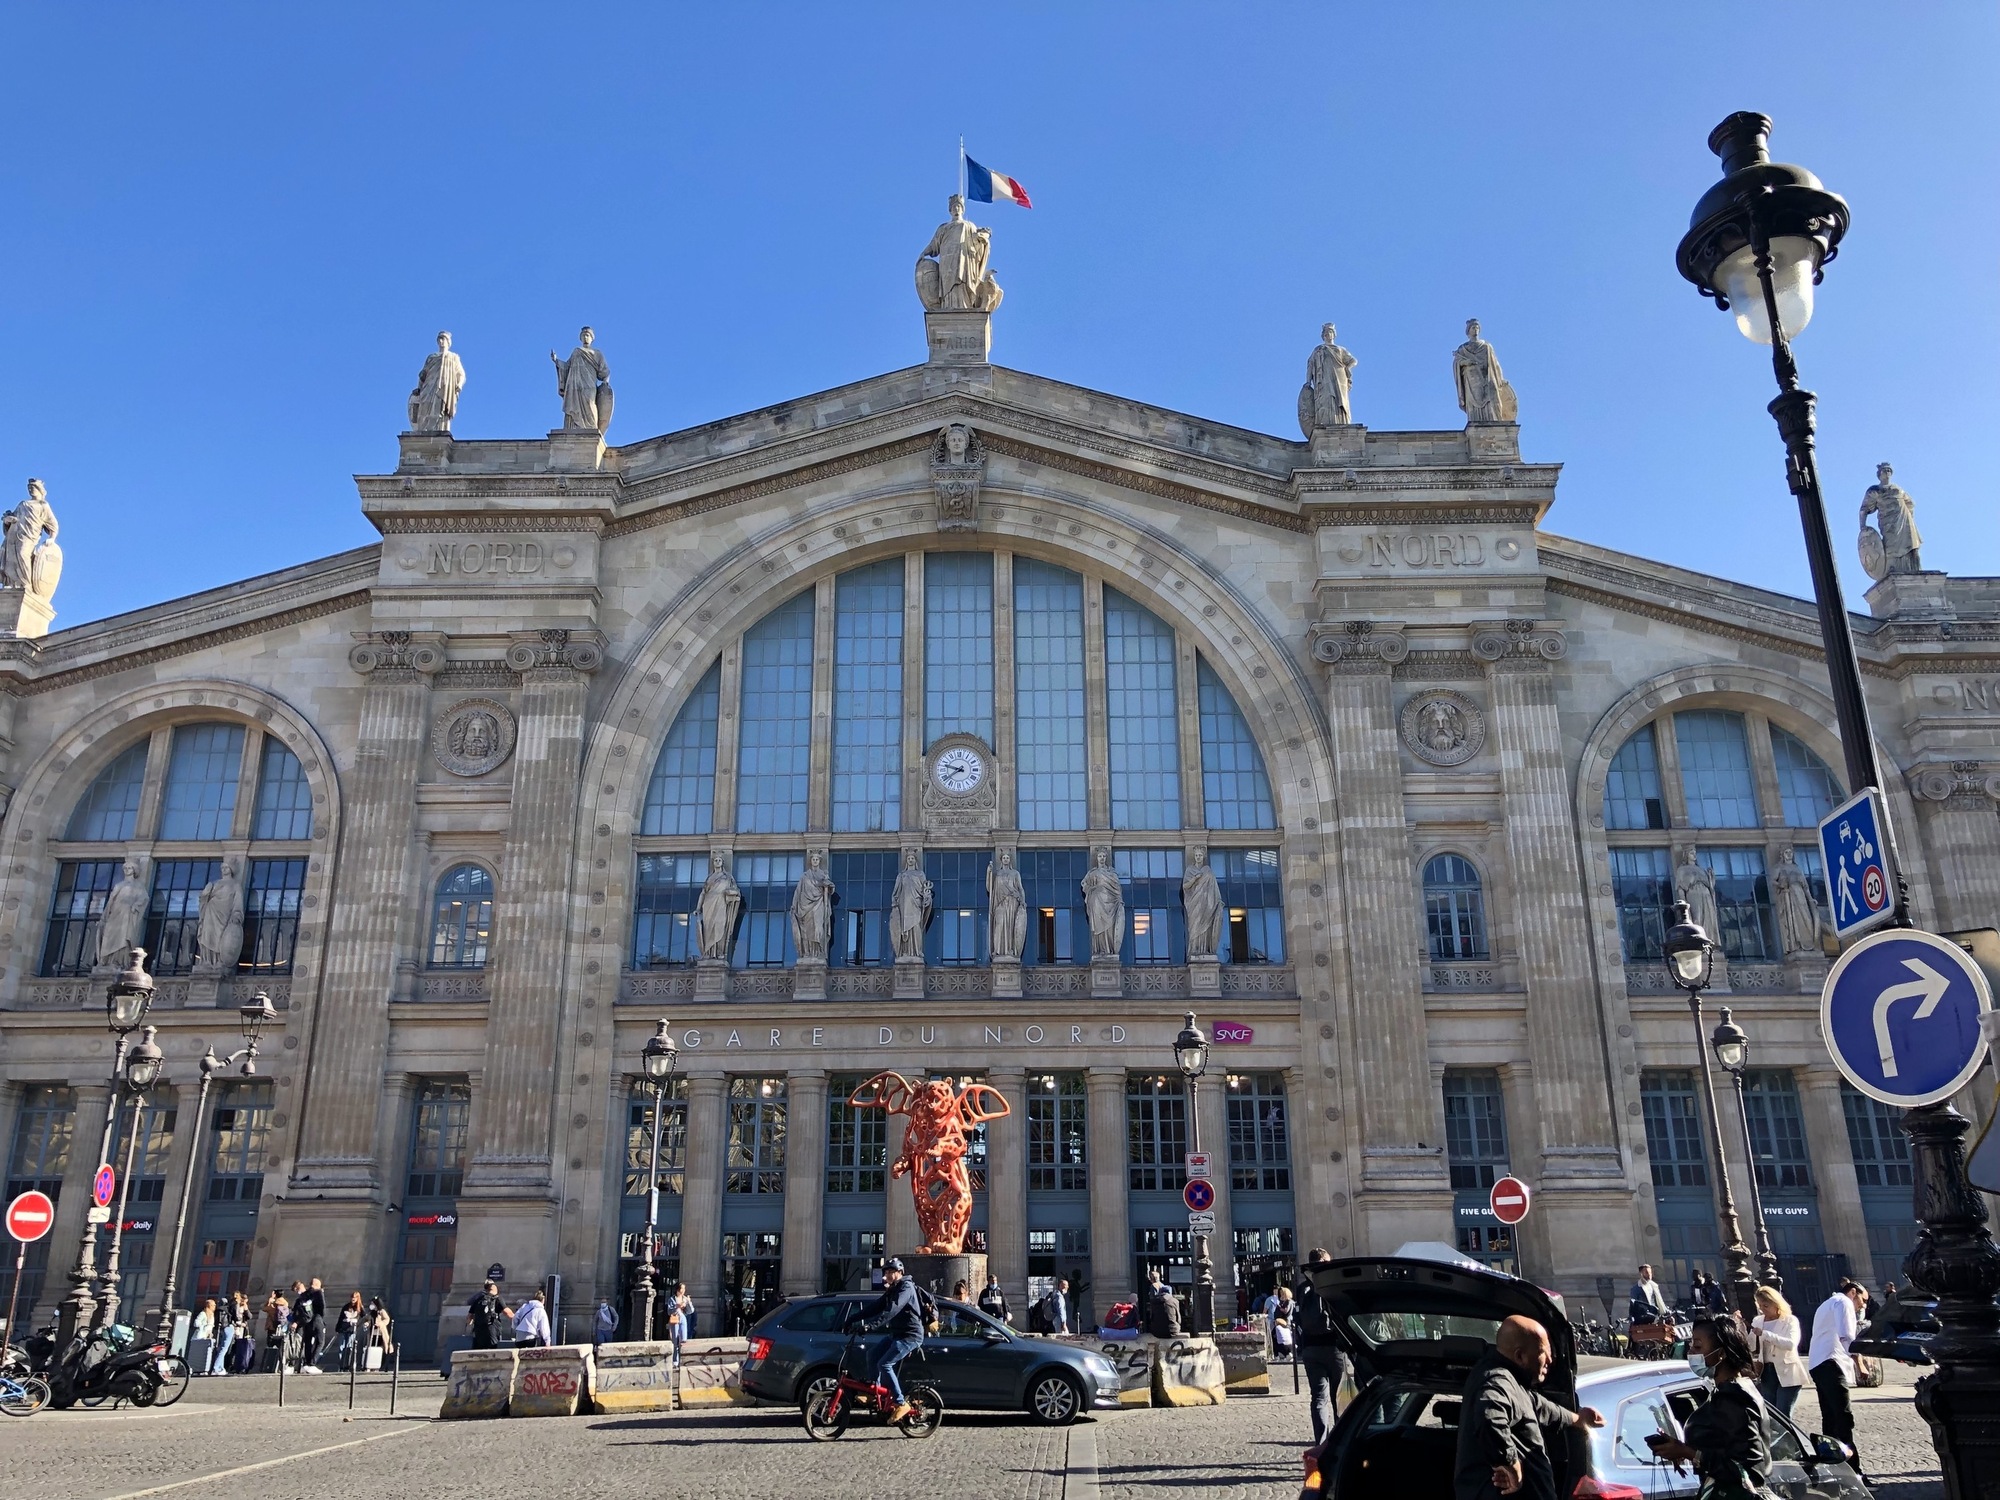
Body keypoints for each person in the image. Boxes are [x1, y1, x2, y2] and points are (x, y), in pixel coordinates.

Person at [1455, 1315, 1604, 1500]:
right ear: (1520, 1356)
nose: (1550, 1360)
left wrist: (1578, 1419)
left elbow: (1538, 1405)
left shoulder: (1510, 1381)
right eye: (1544, 1352)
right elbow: (1489, 1418)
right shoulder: (1497, 1381)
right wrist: (1510, 1462)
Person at [1648, 1319, 1771, 1497]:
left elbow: (1750, 1470)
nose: (1690, 1352)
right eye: (1691, 1345)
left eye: (1697, 1347)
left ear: (1720, 1353)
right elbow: (1722, 1445)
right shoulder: (1728, 1388)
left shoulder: (1733, 1397)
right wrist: (1680, 1448)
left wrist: (1689, 1452)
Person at [1292, 1247, 1351, 1446]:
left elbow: (1296, 1318)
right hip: (1333, 1347)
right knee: (1338, 1397)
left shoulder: (1302, 1288)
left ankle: (1321, 1442)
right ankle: (1340, 1442)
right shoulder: (1332, 1285)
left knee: (1318, 1397)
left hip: (1310, 1349)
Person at [857, 1258, 927, 1424]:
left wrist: (871, 1326)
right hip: (897, 1334)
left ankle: (901, 1402)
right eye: (886, 1272)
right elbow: (875, 1307)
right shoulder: (893, 1289)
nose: (887, 1275)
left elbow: (892, 1309)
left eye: (890, 1271)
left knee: (885, 1364)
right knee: (872, 1354)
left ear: (900, 1273)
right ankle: (876, 1392)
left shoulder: (906, 1288)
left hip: (911, 1335)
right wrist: (852, 1320)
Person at [1808, 1279, 1868, 1470]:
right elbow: (1846, 1335)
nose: (1863, 1305)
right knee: (1843, 1419)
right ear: (1853, 1292)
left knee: (1830, 1418)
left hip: (1818, 1363)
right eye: (1862, 1300)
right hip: (1831, 1362)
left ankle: (1832, 1465)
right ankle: (1853, 1470)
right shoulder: (1843, 1303)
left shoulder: (1826, 1304)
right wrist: (1859, 1362)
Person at [1750, 1285, 1806, 1419]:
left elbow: (1791, 1344)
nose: (1762, 1309)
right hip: (1766, 1371)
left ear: (1776, 1303)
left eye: (1766, 1306)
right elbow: (1751, 1345)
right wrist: (1739, 1327)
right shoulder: (1758, 1320)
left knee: (1783, 1414)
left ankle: (1788, 1439)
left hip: (1788, 1371)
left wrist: (1766, 1334)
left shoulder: (1789, 1320)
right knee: (1770, 1414)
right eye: (1760, 1306)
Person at [292, 1277, 326, 1373]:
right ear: (317, 1285)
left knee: (307, 1342)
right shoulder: (318, 1292)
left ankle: (306, 1363)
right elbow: (322, 1307)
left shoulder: (304, 1295)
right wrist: (321, 1317)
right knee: (320, 1342)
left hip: (307, 1321)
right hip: (317, 1318)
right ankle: (312, 1363)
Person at [466, 1280, 511, 1350]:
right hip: (491, 1329)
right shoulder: (497, 1298)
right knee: (492, 1351)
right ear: (495, 1288)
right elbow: (508, 1313)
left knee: (477, 1351)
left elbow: (469, 1317)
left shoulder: (478, 1299)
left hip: (478, 1330)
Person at [335, 1291, 365, 1372]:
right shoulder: (346, 1307)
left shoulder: (360, 1308)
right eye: (352, 1297)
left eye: (355, 1297)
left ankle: (347, 1365)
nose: (353, 1299)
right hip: (343, 1329)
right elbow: (341, 1318)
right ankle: (341, 1365)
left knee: (349, 1348)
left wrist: (357, 1323)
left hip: (352, 1330)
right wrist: (337, 1328)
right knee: (341, 1348)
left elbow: (364, 1318)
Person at [1269, 1285, 1296, 1358]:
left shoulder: (1289, 1302)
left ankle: (1286, 1352)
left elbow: (1286, 1311)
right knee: (1277, 1337)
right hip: (1280, 1321)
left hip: (1284, 1322)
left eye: (1283, 1294)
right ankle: (1280, 1352)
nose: (1281, 1295)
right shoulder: (1283, 1302)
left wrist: (1279, 1307)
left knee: (1284, 1338)